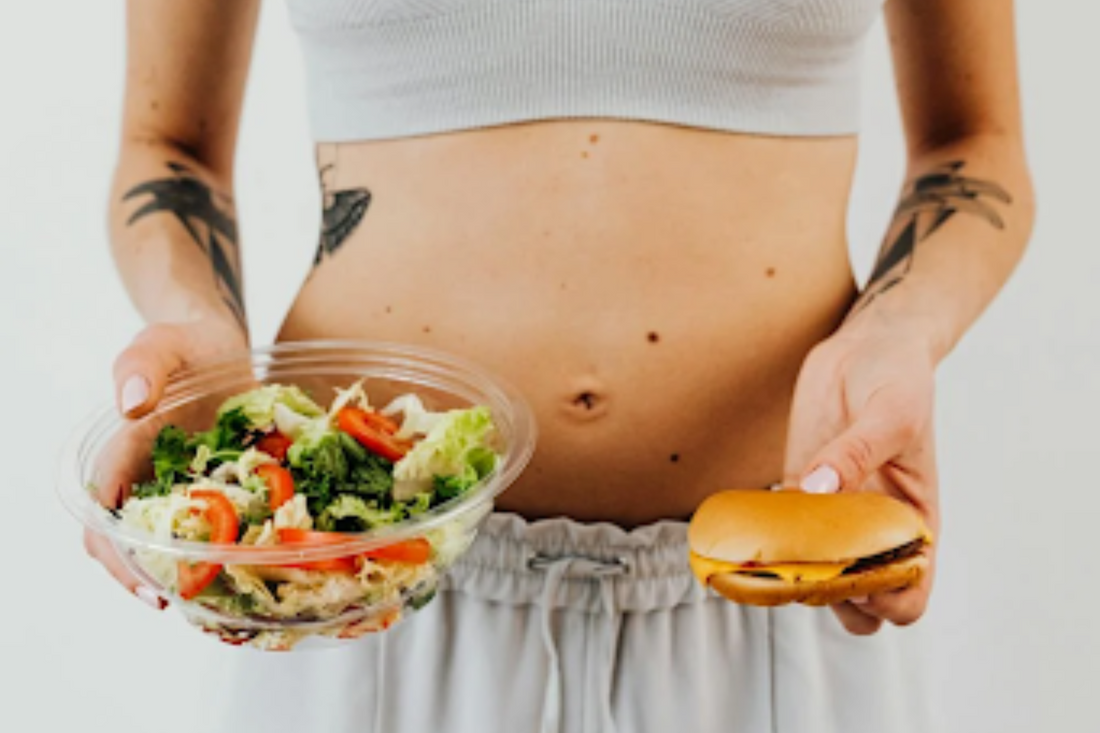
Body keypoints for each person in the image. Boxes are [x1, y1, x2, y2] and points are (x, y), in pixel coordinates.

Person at [84, 1, 1034, 731]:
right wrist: (196, 331)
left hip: (777, 593)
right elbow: (170, 149)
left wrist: (900, 331)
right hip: (359, 595)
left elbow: (971, 143)